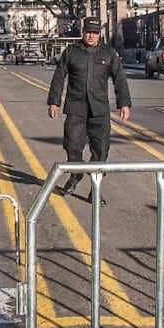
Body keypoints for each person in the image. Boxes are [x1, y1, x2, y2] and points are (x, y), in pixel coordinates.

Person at [46, 16, 131, 206]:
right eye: (88, 32)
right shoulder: (71, 52)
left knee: (100, 152)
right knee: (73, 147)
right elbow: (59, 77)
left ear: (99, 34)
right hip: (76, 108)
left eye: (95, 33)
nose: (91, 36)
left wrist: (124, 103)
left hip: (99, 110)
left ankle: (95, 190)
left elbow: (120, 79)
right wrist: (54, 102)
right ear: (82, 32)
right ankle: (76, 176)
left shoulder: (108, 54)